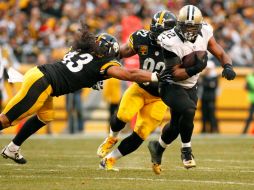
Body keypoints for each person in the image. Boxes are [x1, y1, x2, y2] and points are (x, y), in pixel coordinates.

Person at [0, 22, 162, 164]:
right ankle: (12, 145)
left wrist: (94, 78)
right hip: (42, 83)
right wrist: (156, 75)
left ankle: (13, 148)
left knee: (46, 116)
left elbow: (80, 69)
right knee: (6, 120)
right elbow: (130, 75)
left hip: (40, 77)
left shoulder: (80, 49)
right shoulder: (105, 63)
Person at [147, 5, 236, 175]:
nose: (189, 30)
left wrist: (227, 65)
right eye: (185, 26)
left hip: (191, 86)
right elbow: (175, 74)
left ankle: (157, 148)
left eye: (192, 27)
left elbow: (218, 50)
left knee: (175, 126)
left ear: (199, 26)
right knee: (189, 110)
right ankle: (186, 151)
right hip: (170, 85)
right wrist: (197, 67)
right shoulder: (170, 39)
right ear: (178, 24)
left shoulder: (205, 31)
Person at [97, 10, 177, 171]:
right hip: (140, 88)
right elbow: (121, 53)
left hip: (161, 97)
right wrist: (100, 68)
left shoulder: (179, 47)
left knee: (141, 133)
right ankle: (112, 138)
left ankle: (109, 160)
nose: (158, 36)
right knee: (123, 115)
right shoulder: (142, 38)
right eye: (155, 31)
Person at [200, 60, 219, 133]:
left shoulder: (214, 77)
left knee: (212, 114)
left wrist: (207, 84)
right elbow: (209, 85)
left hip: (211, 98)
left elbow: (213, 86)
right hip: (204, 98)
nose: (207, 70)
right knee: (204, 114)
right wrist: (209, 84)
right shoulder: (203, 77)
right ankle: (204, 129)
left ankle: (213, 129)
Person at [242, 70, 254, 134]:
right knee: (249, 117)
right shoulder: (249, 77)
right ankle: (244, 131)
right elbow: (244, 87)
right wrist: (250, 88)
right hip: (252, 100)